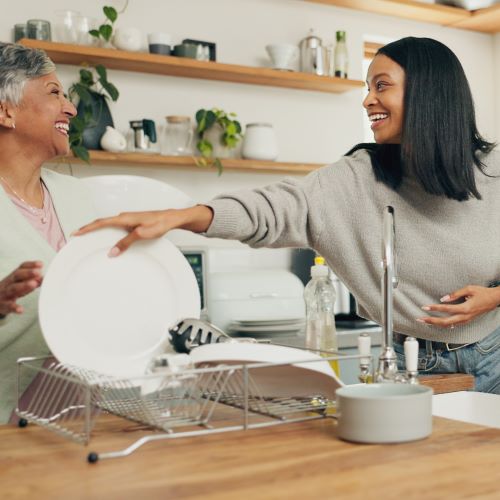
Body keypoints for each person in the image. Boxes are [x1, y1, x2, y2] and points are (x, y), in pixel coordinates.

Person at [76, 37, 500, 393]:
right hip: (416, 362)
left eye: (381, 86)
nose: (368, 100)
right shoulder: (357, 178)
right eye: (368, 87)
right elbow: (275, 208)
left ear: (428, 93)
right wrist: (186, 215)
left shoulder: (495, 170)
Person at [0, 42, 96, 423]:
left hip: (81, 417)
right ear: (6, 110)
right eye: (54, 92)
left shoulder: (77, 196)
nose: (70, 108)